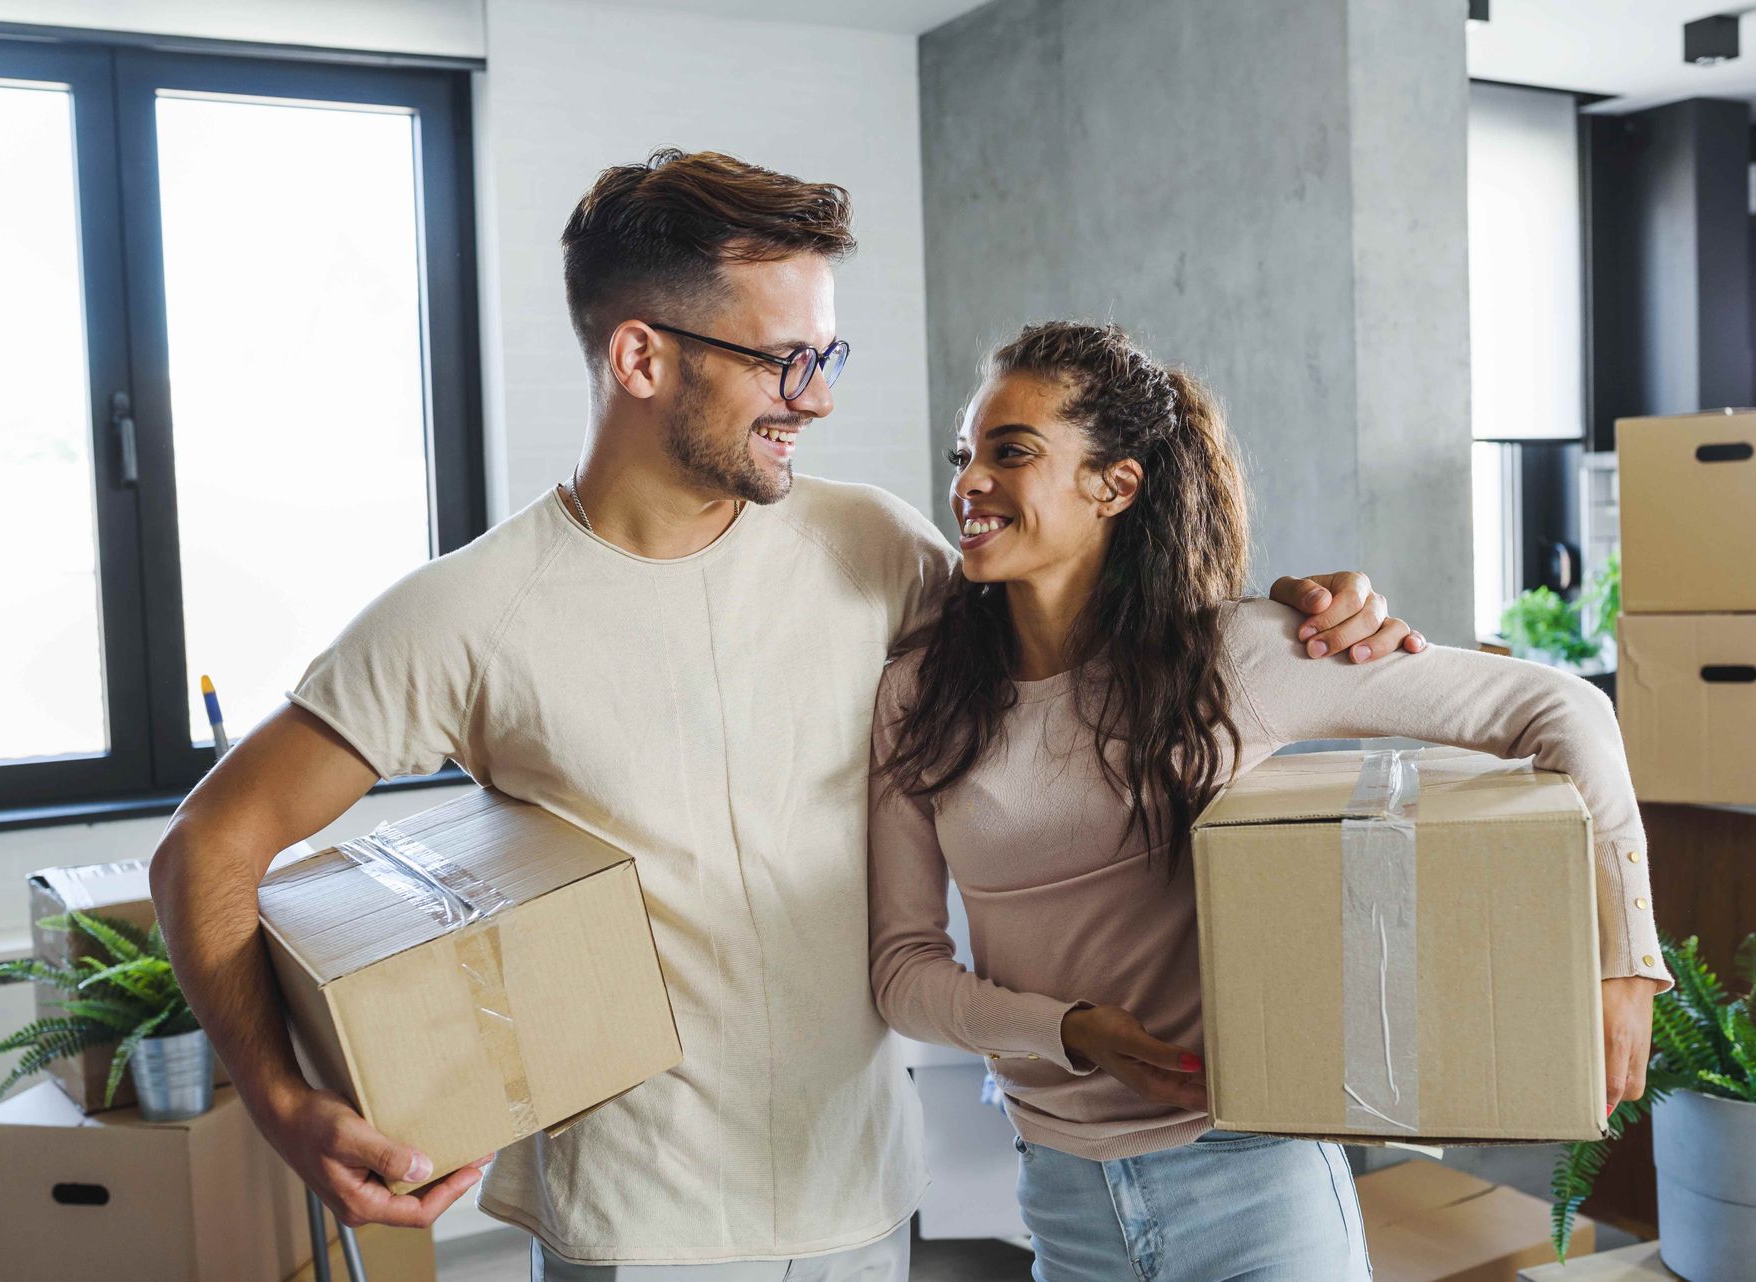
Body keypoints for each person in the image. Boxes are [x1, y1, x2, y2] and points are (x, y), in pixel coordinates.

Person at [147, 151, 1424, 1280]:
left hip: (864, 1204)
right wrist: (277, 1098)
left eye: (827, 355)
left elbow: (1091, 649)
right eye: (783, 360)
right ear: (641, 357)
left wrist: (1298, 608)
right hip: (635, 1227)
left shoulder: (878, 547)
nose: (815, 396)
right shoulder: (465, 614)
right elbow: (207, 847)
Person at [868, 321, 1672, 1282]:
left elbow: (1561, 706)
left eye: (1012, 452)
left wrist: (1625, 964)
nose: (969, 482)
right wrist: (1070, 1031)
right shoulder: (921, 696)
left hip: (1254, 1180)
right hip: (1060, 1197)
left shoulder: (1236, 658)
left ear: (1114, 486)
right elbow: (902, 974)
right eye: (965, 455)